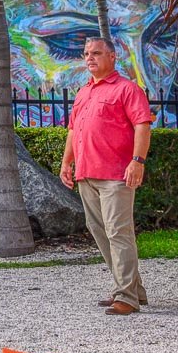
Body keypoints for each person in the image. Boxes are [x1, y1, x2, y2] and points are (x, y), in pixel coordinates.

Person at [59, 37, 154, 316]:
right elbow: (74, 131)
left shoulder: (128, 90)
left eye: (97, 53)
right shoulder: (83, 92)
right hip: (86, 173)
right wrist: (67, 163)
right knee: (101, 232)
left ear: (113, 57)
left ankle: (126, 296)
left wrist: (138, 161)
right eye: (87, 53)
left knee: (118, 232)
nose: (90, 58)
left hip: (116, 175)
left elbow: (142, 126)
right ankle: (132, 289)